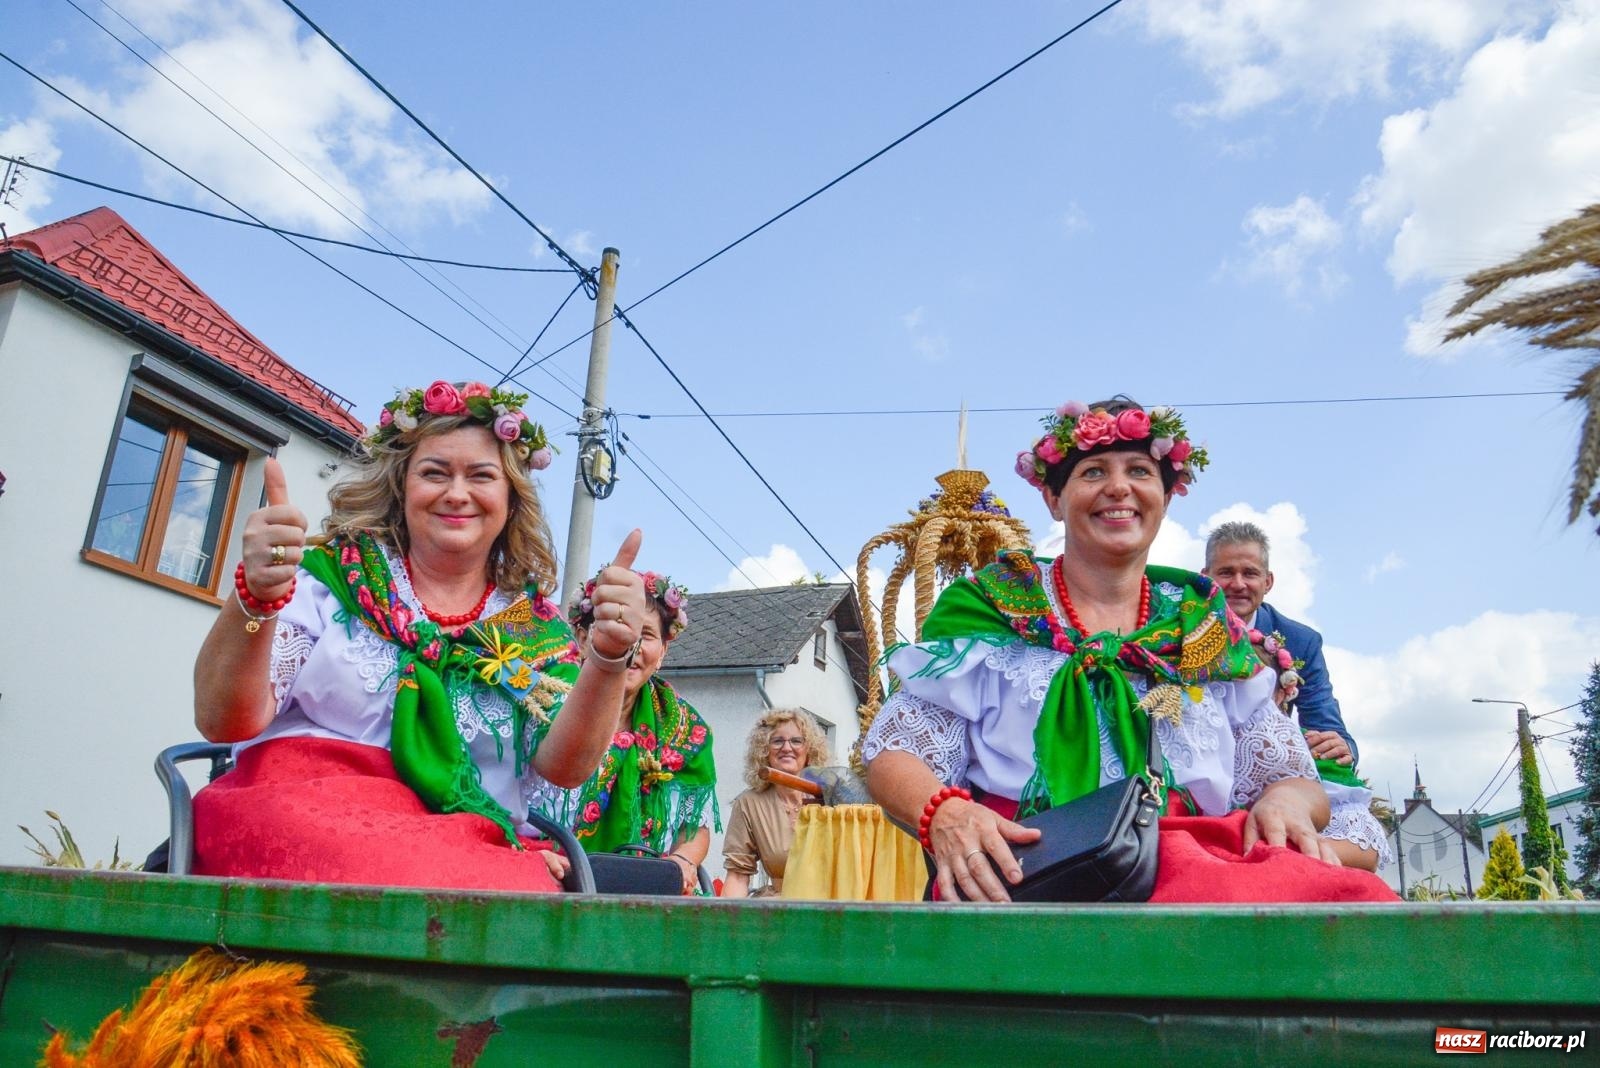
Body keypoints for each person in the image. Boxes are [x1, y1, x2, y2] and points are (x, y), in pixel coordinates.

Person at [863, 396, 1397, 903]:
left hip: (1203, 865)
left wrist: (1286, 799)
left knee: (1359, 903)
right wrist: (946, 815)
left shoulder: (1201, 626)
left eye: (1140, 472)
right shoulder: (994, 609)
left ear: (1165, 498)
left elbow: (1295, 778)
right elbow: (896, 752)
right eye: (1093, 472)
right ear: (1053, 498)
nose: (1118, 488)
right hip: (1032, 873)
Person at [192, 379, 647, 892]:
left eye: (481, 476)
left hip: (467, 840)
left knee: (506, 895)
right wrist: (254, 603)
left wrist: (608, 659)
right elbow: (223, 719)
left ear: (511, 500)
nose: (457, 493)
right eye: (434, 473)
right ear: (401, 487)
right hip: (302, 814)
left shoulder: (535, 630)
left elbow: (564, 768)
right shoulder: (331, 579)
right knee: (476, 886)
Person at [533, 569, 718, 894]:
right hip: (550, 881)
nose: (629, 646)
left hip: (649, 890)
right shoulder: (541, 701)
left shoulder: (687, 729)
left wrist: (683, 862)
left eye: (645, 635)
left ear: (662, 651)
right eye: (617, 630)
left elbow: (694, 827)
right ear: (582, 638)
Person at [1203, 521, 1357, 764]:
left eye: (1250, 573)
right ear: (1205, 578)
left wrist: (1339, 746)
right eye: (1226, 572)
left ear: (1268, 582)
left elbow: (1325, 725)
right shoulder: (1178, 629)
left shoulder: (1301, 642)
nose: (1238, 584)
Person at [721, 709, 831, 898]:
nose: (787, 748)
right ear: (764, 751)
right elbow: (738, 876)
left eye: (796, 741)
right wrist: (727, 923)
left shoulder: (832, 797)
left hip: (832, 910)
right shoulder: (749, 803)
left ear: (809, 749)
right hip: (779, 911)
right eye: (777, 741)